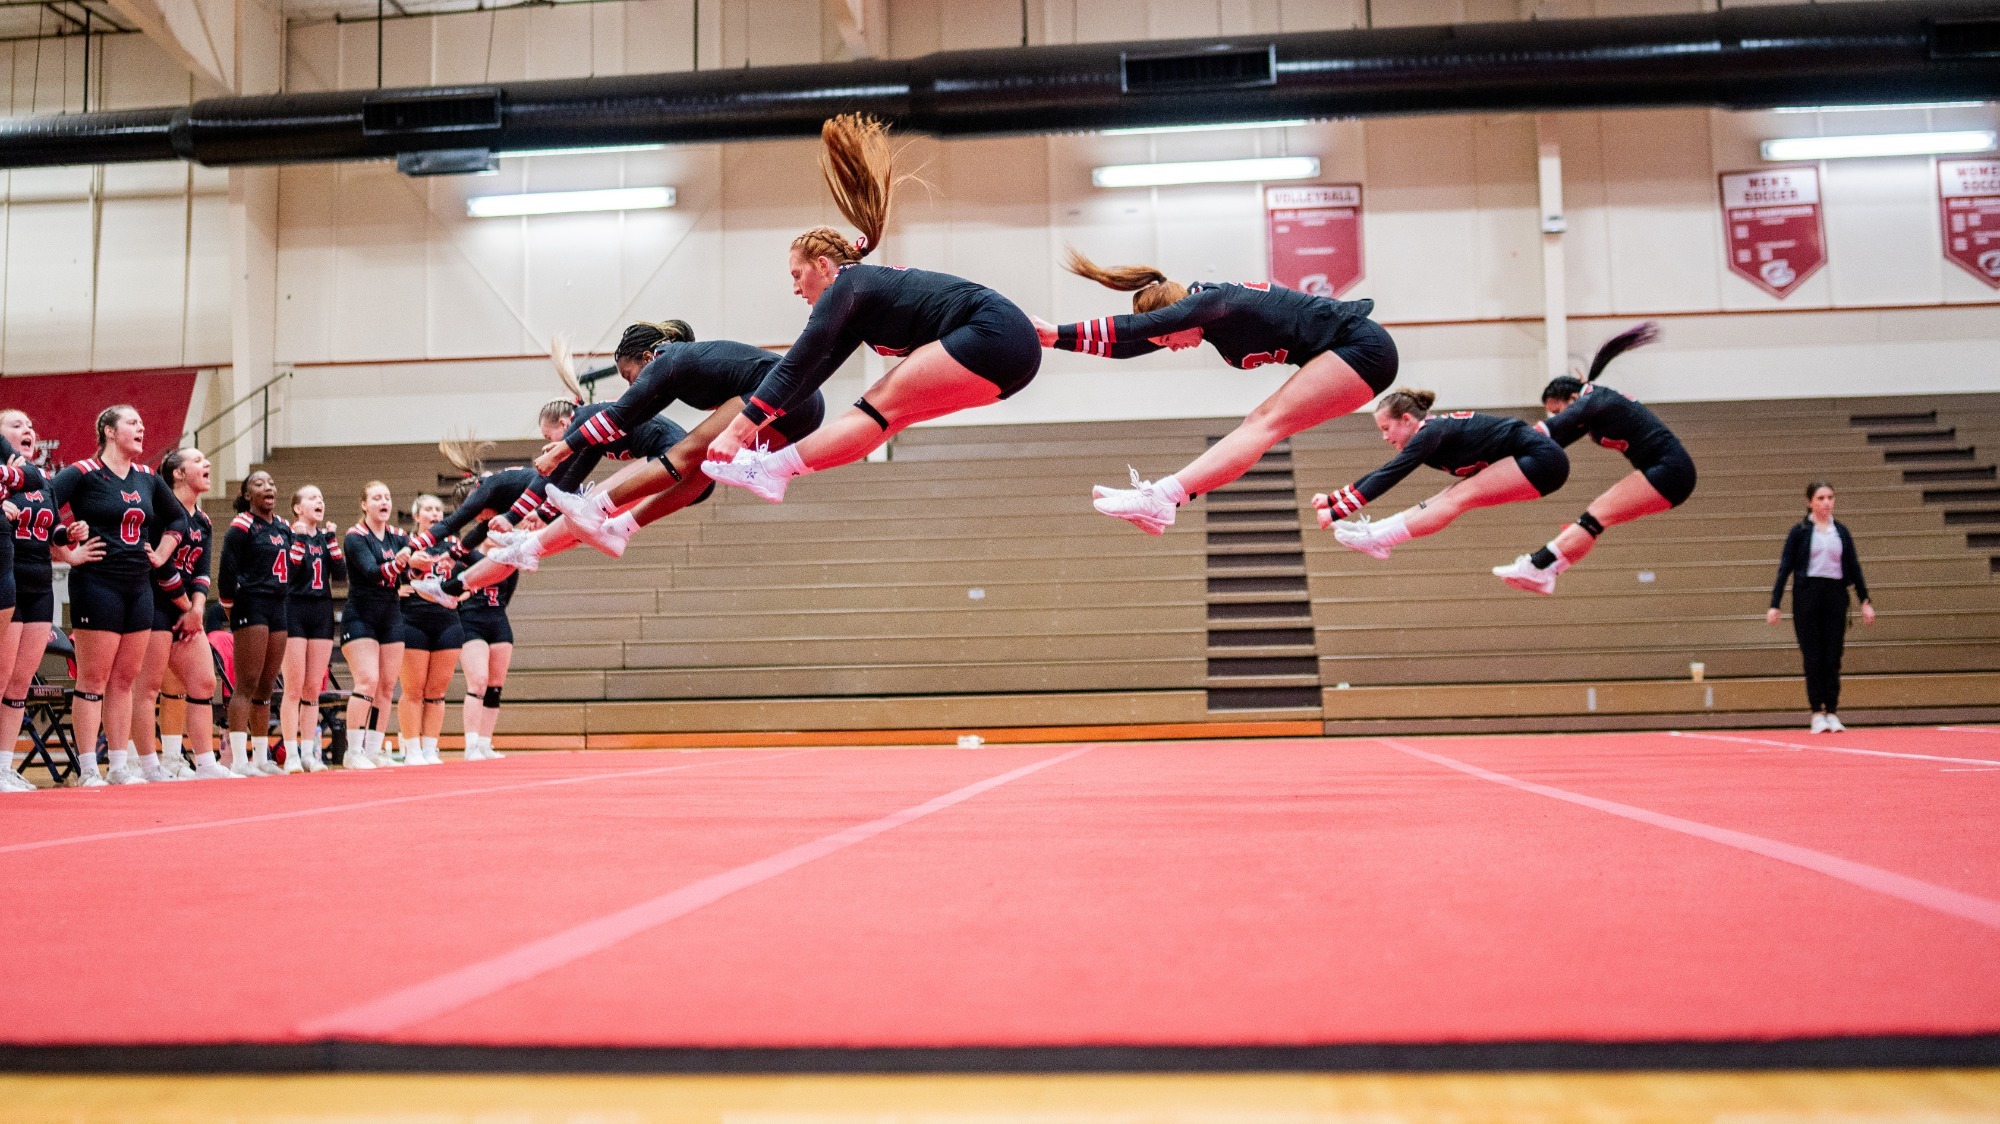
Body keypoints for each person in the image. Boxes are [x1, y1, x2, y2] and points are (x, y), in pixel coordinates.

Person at [701, 114, 1040, 501]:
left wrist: (735, 432)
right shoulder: (854, 309)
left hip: (996, 332)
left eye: (798, 275)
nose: (795, 288)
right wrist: (759, 430)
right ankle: (778, 473)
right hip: (1011, 363)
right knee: (885, 419)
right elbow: (806, 379)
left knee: (879, 401)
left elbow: (794, 364)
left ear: (824, 266)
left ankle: (770, 470)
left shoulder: (849, 285)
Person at [1033, 253, 1399, 534]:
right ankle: (1168, 501)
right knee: (1262, 426)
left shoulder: (1214, 301)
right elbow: (1129, 345)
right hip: (1355, 355)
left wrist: (1055, 330)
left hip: (1363, 347)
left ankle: (1161, 498)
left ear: (1177, 318)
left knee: (1262, 424)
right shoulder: (1203, 321)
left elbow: (1137, 328)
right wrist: (1058, 344)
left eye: (1166, 338)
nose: (1170, 348)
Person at [524, 324, 825, 562]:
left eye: (629, 376)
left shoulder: (667, 360)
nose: (632, 386)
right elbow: (625, 420)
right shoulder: (674, 373)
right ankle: (621, 529)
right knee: (705, 467)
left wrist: (563, 449)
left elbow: (617, 414)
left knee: (689, 452)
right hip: (804, 409)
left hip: (783, 391)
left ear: (646, 357)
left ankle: (598, 509)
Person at [1491, 323, 1698, 595]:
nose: (1557, 416)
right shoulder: (1591, 410)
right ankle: (1547, 570)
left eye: (1557, 409)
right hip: (1663, 471)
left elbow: (1543, 433)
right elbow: (1550, 443)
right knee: (1594, 521)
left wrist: (1488, 445)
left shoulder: (1597, 400)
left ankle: (1537, 565)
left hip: (1670, 470)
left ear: (1573, 397)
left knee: (1595, 516)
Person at [50, 405, 185, 786]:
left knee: (125, 679)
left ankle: (120, 765)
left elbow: (178, 518)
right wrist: (66, 550)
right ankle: (89, 767)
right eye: (132, 422)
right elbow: (42, 508)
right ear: (109, 431)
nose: (141, 427)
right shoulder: (82, 473)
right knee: (93, 678)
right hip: (97, 583)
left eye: (143, 422)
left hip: (138, 585)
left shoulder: (147, 476)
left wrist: (161, 553)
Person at [1312, 389, 1569, 560]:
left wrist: (1337, 511)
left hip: (1542, 459)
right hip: (1530, 458)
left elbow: (1391, 474)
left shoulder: (1430, 433)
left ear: (1406, 419)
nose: (1385, 437)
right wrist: (1334, 499)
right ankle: (1375, 533)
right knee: (1445, 497)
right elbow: (1384, 471)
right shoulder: (1429, 435)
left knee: (1459, 497)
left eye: (1387, 428)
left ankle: (1377, 538)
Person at [0, 409, 101, 791]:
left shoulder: (42, 477)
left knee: (20, 682)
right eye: (16, 425)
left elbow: (49, 527)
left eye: (31, 425)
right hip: (6, 580)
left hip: (39, 583)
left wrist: (68, 536)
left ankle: (5, 767)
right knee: (1, 675)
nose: (28, 430)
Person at [144, 447, 232, 780]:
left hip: (185, 609)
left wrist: (196, 607)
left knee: (203, 681)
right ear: (178, 474)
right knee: (148, 687)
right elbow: (159, 564)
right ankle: (143, 762)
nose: (207, 463)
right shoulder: (159, 513)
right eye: (198, 460)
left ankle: (205, 763)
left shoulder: (203, 520)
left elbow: (201, 571)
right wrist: (187, 607)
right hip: (152, 604)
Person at [1769, 481, 1875, 733]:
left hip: (1835, 594)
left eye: (1830, 497)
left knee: (1833, 656)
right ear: (1810, 502)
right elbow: (1785, 568)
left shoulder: (1842, 532)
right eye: (1820, 498)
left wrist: (1865, 601)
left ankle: (1833, 711)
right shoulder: (1800, 531)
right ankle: (1817, 711)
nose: (1826, 502)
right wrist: (1775, 604)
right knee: (1813, 656)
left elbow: (1854, 567)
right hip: (1808, 595)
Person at [217, 471, 292, 776]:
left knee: (267, 686)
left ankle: (261, 758)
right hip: (251, 604)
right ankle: (238, 760)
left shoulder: (284, 527)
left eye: (271, 482)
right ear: (248, 495)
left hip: (278, 606)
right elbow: (226, 572)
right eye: (259, 484)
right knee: (246, 683)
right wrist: (230, 610)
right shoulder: (241, 526)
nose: (268, 487)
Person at [340, 481, 409, 769]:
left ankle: (373, 749)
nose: (384, 502)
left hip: (390, 614)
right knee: (367, 680)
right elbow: (371, 571)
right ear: (364, 504)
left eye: (388, 497)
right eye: (377, 497)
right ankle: (352, 751)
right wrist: (403, 562)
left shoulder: (399, 535)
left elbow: (412, 571)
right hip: (361, 615)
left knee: (387, 685)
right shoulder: (355, 537)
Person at [279, 485, 342, 772]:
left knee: (312, 689)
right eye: (312, 497)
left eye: (322, 497)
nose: (320, 500)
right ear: (297, 508)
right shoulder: (288, 533)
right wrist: (300, 541)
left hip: (321, 611)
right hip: (294, 609)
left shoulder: (325, 537)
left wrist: (331, 541)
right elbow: (289, 574)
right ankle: (290, 752)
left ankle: (308, 752)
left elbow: (340, 577)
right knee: (293, 688)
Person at [397, 494, 458, 766]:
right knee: (413, 690)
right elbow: (381, 576)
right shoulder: (405, 545)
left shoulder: (454, 546)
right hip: (412, 620)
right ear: (416, 516)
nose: (435, 514)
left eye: (439, 510)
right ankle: (412, 748)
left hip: (447, 621)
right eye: (429, 509)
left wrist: (459, 595)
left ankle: (431, 748)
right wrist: (397, 589)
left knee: (437, 691)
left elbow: (472, 579)